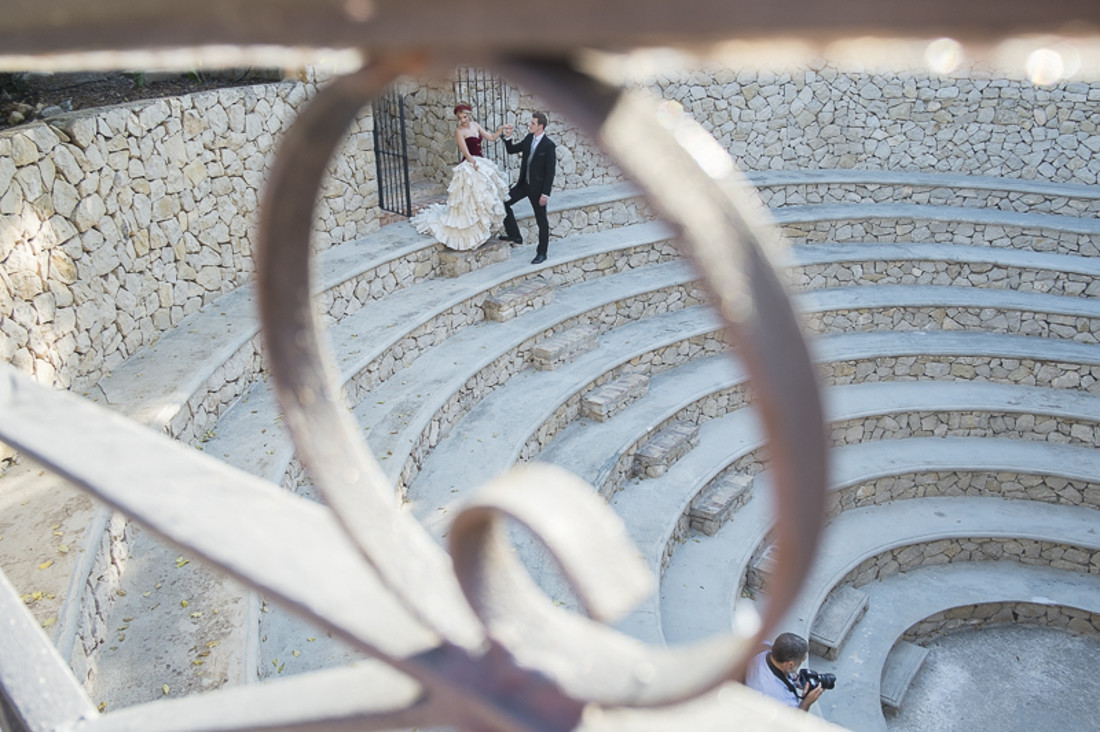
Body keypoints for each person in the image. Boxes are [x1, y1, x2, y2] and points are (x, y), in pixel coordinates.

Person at [411, 103, 509, 251]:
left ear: (469, 115)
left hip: (480, 162)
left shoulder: (475, 125)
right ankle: (469, 232)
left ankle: (480, 229)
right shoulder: (459, 131)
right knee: (469, 198)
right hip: (470, 165)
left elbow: (491, 137)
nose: (463, 120)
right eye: (460, 118)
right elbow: (465, 151)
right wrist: (473, 163)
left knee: (482, 198)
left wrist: (501, 129)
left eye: (465, 116)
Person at [498, 112, 557, 264]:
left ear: (540, 126)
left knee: (541, 221)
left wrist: (545, 193)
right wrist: (508, 137)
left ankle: (542, 253)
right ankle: (515, 235)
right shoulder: (529, 138)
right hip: (523, 185)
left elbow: (550, 172)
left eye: (532, 123)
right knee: (504, 203)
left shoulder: (549, 145)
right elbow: (512, 150)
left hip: (538, 191)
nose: (529, 125)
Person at [744, 632, 824, 712]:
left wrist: (796, 679)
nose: (801, 663)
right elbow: (793, 721)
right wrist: (806, 702)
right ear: (790, 664)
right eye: (802, 660)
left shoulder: (764, 647)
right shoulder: (781, 697)